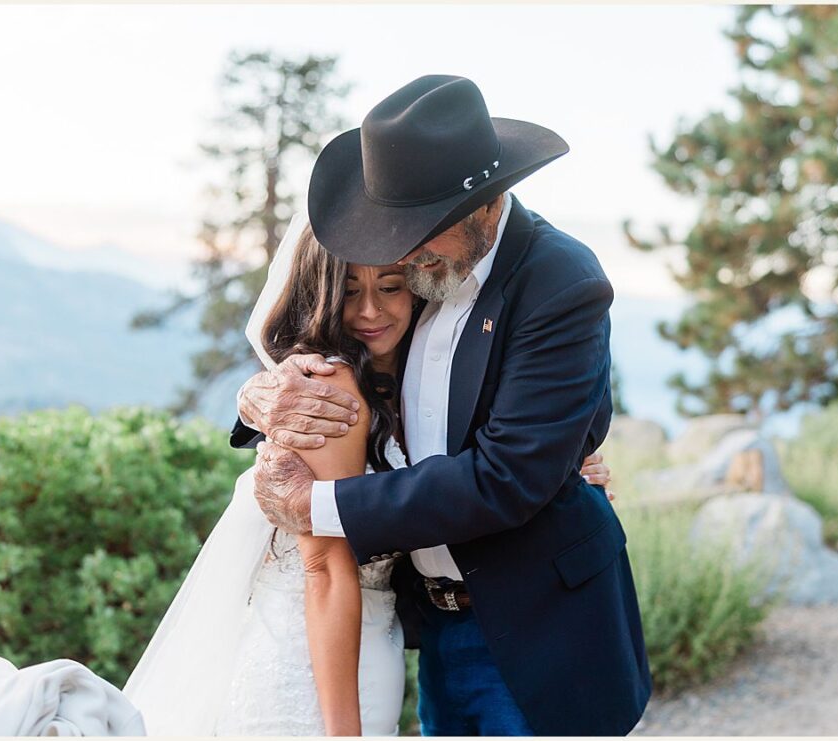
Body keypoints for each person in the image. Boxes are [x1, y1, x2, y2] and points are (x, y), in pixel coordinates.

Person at [240, 74, 651, 736]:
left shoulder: (561, 283)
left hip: (540, 627)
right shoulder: (419, 273)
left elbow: (509, 476)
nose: (400, 251)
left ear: (487, 205)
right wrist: (259, 397)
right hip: (433, 621)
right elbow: (352, 363)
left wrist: (316, 506)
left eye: (422, 230)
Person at [124, 217, 612, 735]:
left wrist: (559, 464)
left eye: (390, 287)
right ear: (322, 295)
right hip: (312, 657)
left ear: (417, 287)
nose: (369, 311)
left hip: (389, 636)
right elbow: (325, 570)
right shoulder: (327, 388)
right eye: (349, 290)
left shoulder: (416, 367)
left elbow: (501, 455)